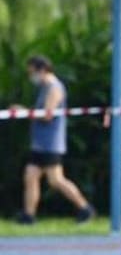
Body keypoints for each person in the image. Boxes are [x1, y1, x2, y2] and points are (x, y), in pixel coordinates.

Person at [16, 55, 95, 225]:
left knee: (56, 180)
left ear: (42, 70)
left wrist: (24, 112)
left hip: (51, 143)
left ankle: (84, 208)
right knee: (31, 176)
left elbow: (47, 115)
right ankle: (28, 215)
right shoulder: (45, 88)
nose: (31, 77)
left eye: (32, 72)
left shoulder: (54, 88)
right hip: (40, 143)